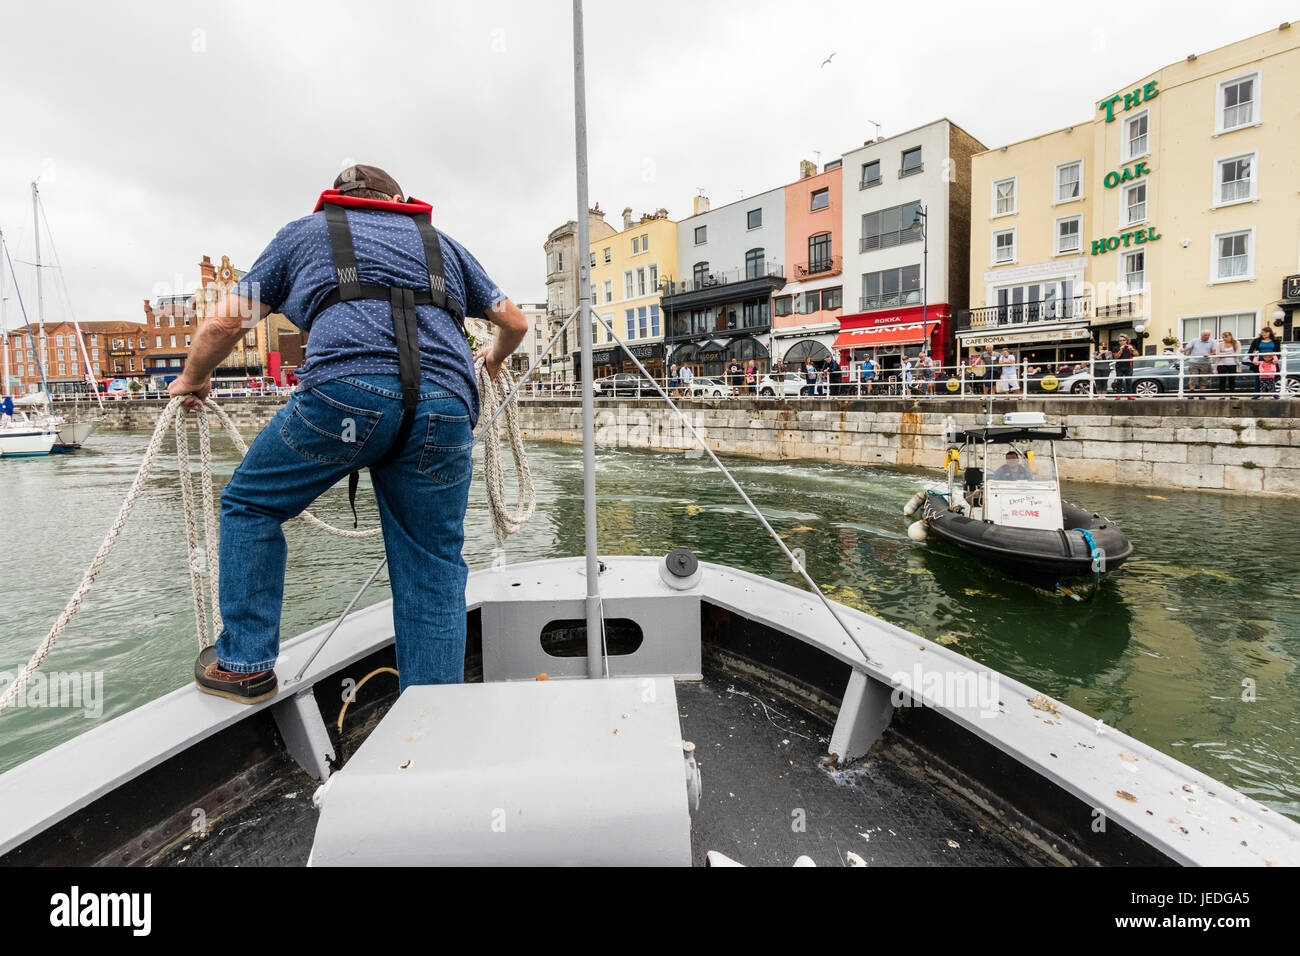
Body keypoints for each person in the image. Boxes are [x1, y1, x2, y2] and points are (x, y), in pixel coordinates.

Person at [169, 164, 527, 703]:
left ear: (337, 200)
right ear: (398, 199)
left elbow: (223, 325)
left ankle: (244, 663)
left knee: (251, 505)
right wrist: (493, 361)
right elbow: (516, 323)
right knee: (432, 565)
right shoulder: (444, 245)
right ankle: (434, 721)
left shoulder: (305, 234)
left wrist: (194, 378)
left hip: (347, 399)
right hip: (445, 409)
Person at [1246, 326, 1280, 399]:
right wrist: (1253, 360)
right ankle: (1257, 394)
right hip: (1260, 361)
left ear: (1270, 332)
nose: (1264, 334)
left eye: (1266, 332)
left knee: (1271, 378)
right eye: (1262, 332)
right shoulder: (1257, 341)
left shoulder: (1275, 341)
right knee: (1258, 378)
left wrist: (1275, 360)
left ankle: (1274, 394)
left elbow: (1278, 352)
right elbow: (1250, 352)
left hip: (1271, 361)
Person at [1182, 329, 1216, 397]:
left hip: (1206, 362)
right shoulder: (1194, 340)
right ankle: (1191, 394)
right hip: (1194, 362)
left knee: (1204, 379)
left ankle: (1202, 395)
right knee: (1193, 378)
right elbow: (1188, 347)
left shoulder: (1212, 342)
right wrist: (1183, 349)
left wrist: (1209, 354)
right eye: (1205, 335)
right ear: (1201, 335)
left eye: (1208, 335)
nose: (1207, 336)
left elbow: (1215, 352)